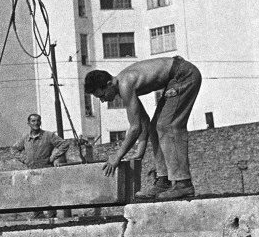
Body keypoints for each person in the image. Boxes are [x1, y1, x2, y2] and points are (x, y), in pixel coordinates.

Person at [84, 56, 202, 201]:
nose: (102, 100)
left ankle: (183, 183)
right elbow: (143, 121)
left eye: (101, 95)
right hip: (175, 78)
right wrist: (140, 149)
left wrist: (117, 156)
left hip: (184, 75)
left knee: (167, 126)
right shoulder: (122, 86)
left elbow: (134, 128)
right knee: (155, 127)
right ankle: (163, 181)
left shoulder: (125, 84)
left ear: (109, 84)